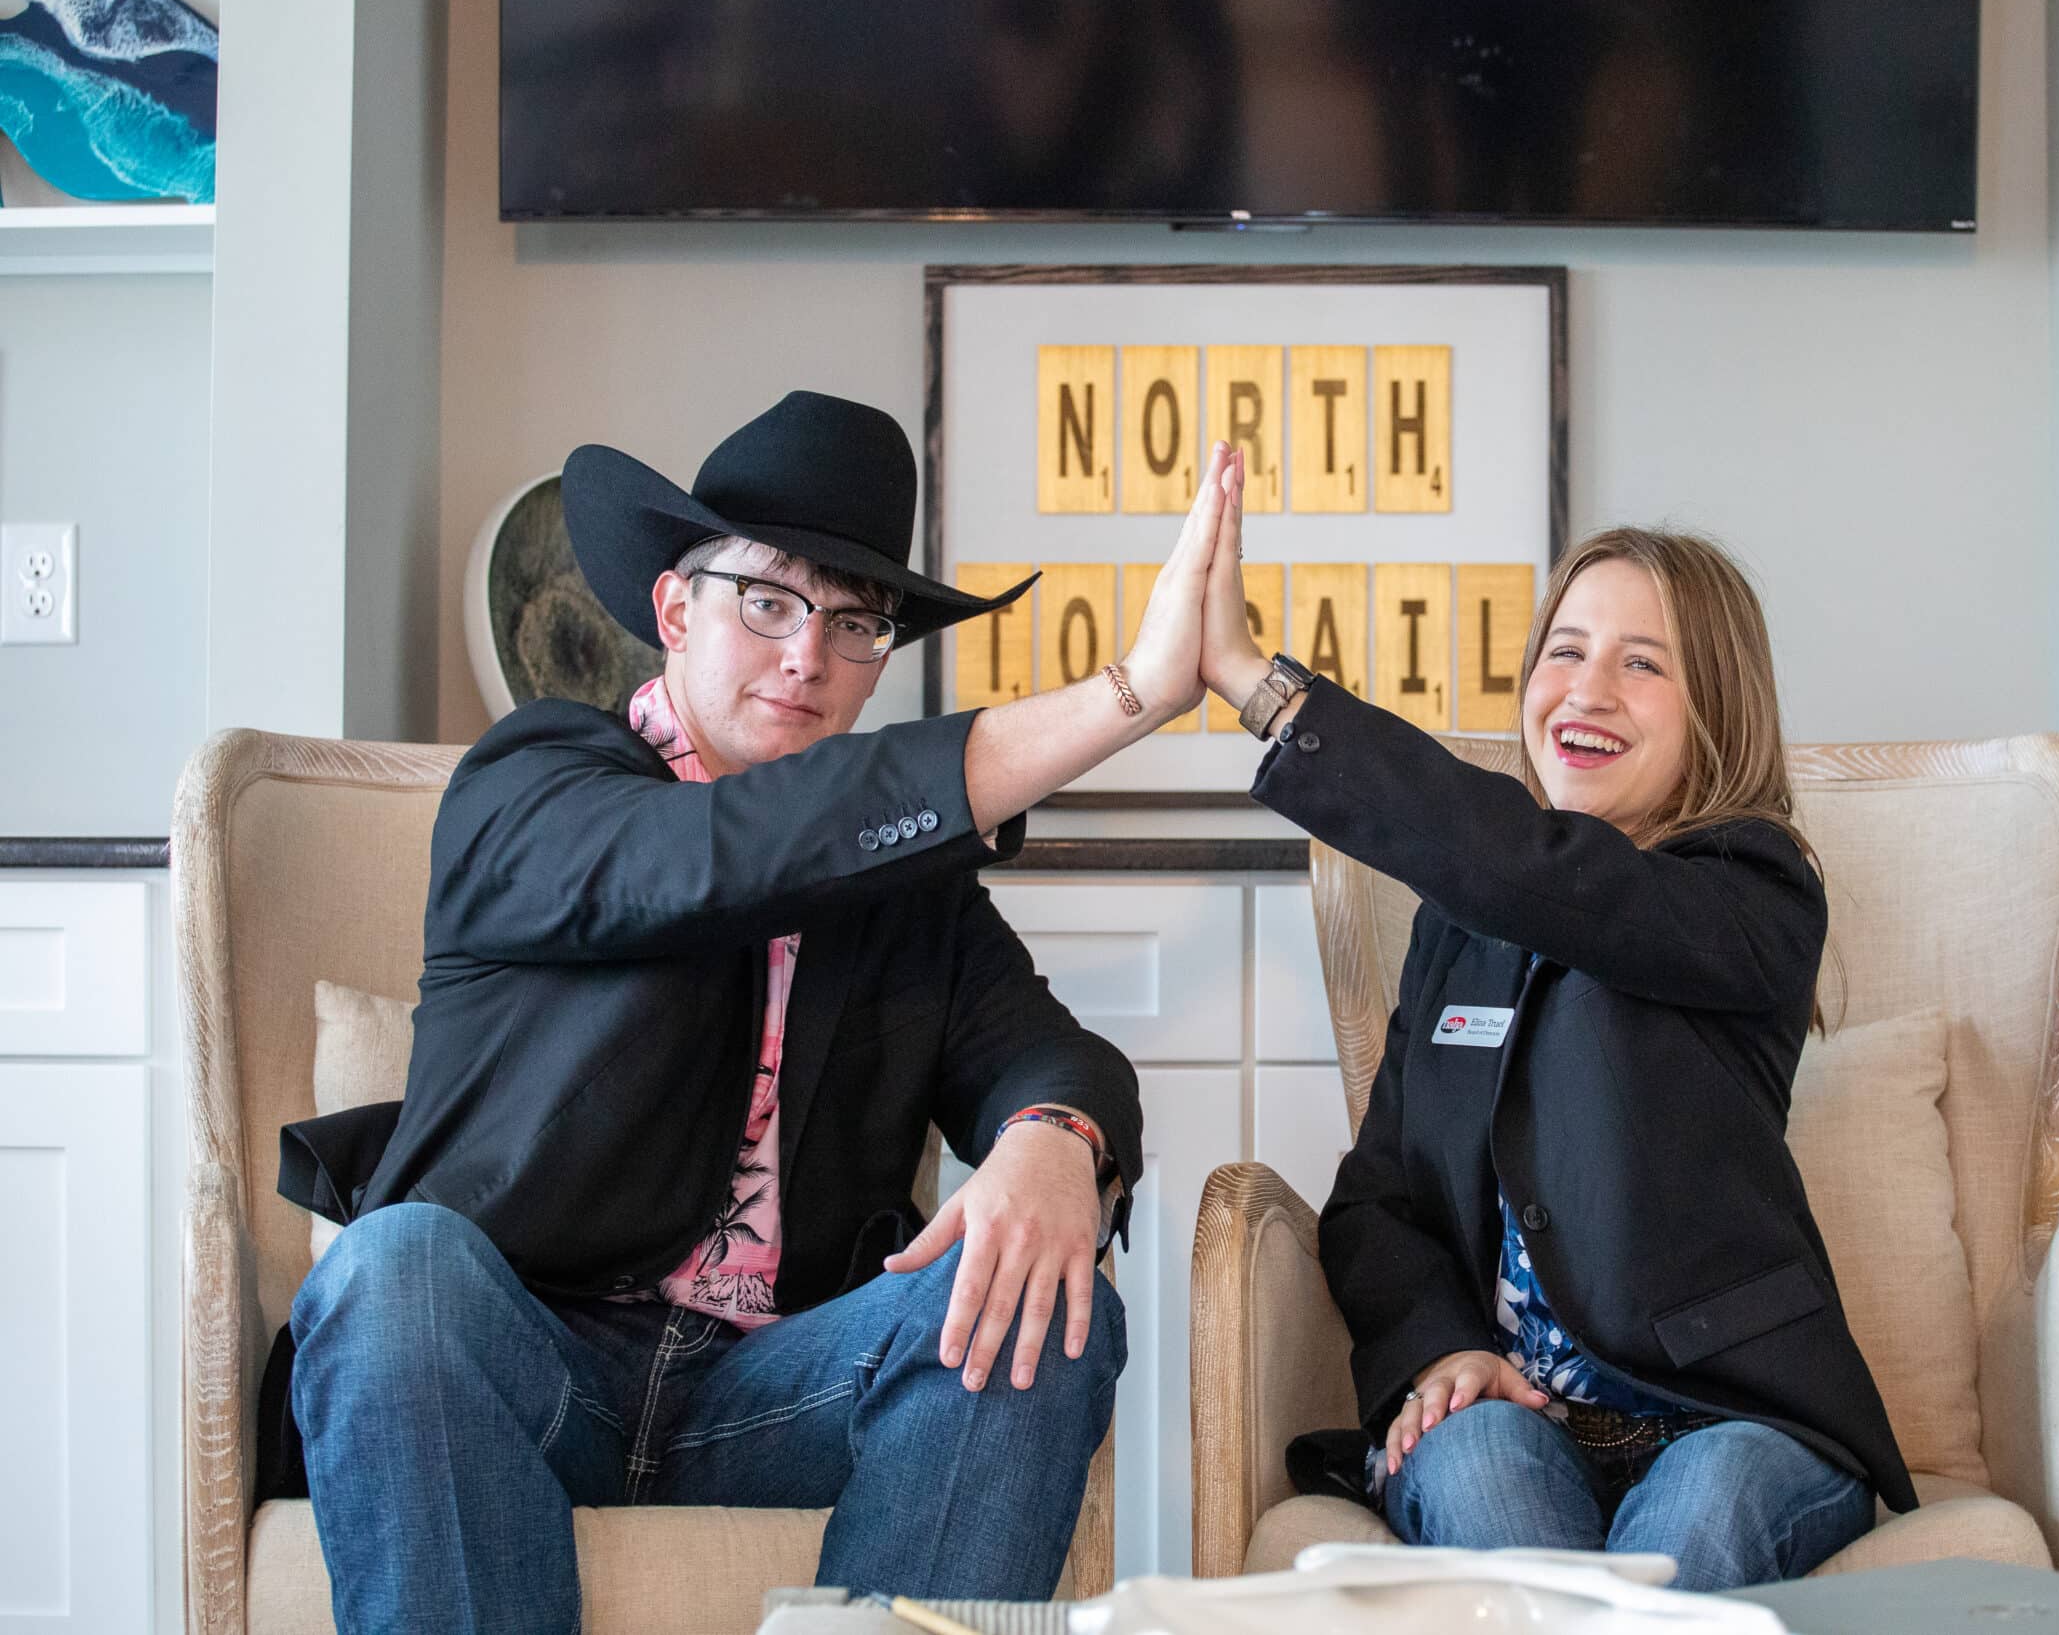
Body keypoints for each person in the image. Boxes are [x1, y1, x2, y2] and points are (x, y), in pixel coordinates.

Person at [274, 392, 1238, 1631]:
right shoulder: (530, 788)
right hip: (524, 1362)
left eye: (853, 623)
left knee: (1044, 1298)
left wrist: (1055, 1133)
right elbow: (722, 855)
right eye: (768, 602)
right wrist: (1126, 696)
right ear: (674, 609)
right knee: (393, 1265)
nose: (809, 656)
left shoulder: (909, 894)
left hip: (771, 1391)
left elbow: (1045, 1048)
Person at [1192, 445, 1917, 1590]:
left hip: (1732, 1416)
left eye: (1642, 665)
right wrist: (1443, 1346)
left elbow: (1557, 882)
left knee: (1708, 1516)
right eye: (1565, 652)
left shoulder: (1753, 894)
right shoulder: (1458, 928)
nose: (1585, 691)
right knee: (1479, 1480)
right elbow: (1377, 1204)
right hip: (1511, 1416)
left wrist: (1258, 684)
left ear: (1715, 712)